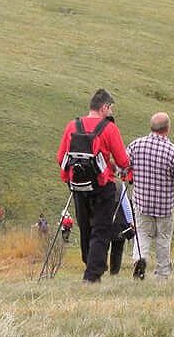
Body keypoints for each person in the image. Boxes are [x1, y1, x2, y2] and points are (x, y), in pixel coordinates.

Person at [56, 89, 132, 283]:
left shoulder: (72, 125)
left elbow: (60, 157)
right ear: (104, 107)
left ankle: (89, 263)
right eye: (111, 108)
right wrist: (117, 167)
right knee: (101, 228)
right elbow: (123, 160)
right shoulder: (109, 128)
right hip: (102, 184)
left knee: (85, 228)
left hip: (78, 184)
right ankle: (92, 275)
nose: (111, 112)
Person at [126, 112, 174, 281]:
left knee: (142, 234)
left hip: (142, 202)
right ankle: (162, 273)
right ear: (167, 129)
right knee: (163, 238)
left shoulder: (135, 145)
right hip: (164, 205)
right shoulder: (173, 151)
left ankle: (139, 259)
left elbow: (123, 168)